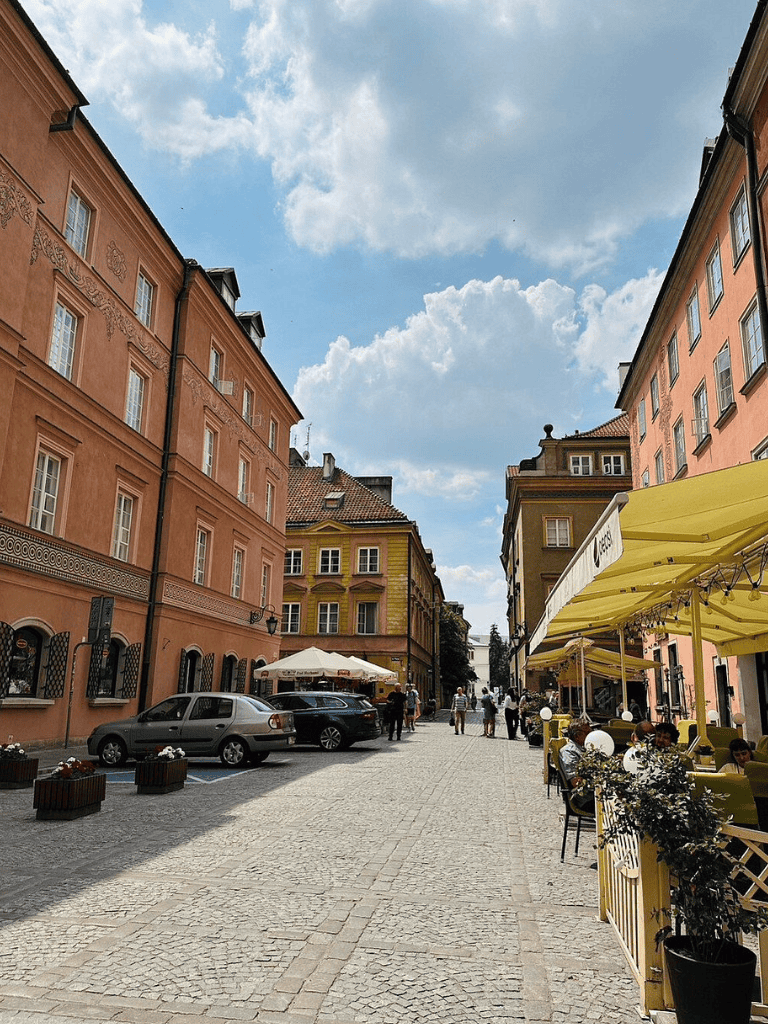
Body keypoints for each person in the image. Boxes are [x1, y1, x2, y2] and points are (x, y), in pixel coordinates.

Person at [559, 720, 595, 812]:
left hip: (593, 795)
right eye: (587, 733)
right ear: (577, 736)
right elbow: (575, 781)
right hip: (585, 799)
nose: (591, 735)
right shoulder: (569, 752)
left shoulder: (584, 748)